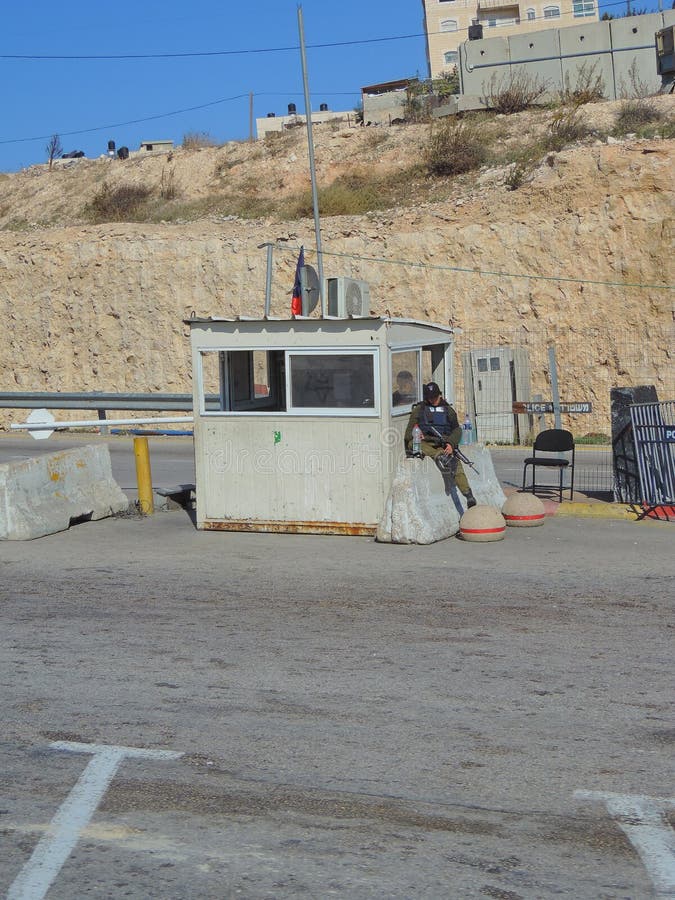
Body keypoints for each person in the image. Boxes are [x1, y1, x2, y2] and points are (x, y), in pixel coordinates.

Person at [405, 381, 477, 508]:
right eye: (430, 398)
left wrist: (451, 444)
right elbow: (408, 435)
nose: (432, 400)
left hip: (442, 444)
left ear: (440, 395)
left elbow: (457, 430)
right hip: (425, 444)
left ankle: (468, 495)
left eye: (435, 397)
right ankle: (439, 456)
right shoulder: (419, 410)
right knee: (413, 444)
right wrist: (417, 433)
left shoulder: (448, 411)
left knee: (455, 464)